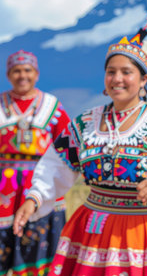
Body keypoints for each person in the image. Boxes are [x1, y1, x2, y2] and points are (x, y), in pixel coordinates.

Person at [13, 18, 147, 275]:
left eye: (126, 72)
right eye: (111, 71)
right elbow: (56, 164)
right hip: (91, 228)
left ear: (144, 79)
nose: (117, 79)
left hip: (140, 231)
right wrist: (34, 199)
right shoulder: (86, 123)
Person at [0, 50, 70, 275]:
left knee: (39, 251)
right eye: (16, 71)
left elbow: (68, 145)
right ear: (9, 74)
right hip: (4, 190)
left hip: (42, 184)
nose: (22, 76)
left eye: (27, 70)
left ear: (36, 74)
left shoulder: (52, 106)